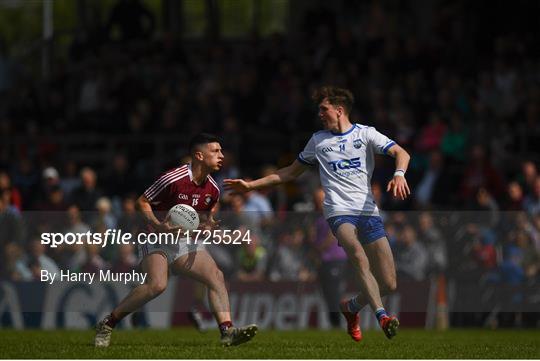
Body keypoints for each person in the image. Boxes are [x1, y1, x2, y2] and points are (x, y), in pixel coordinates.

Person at [224, 86, 411, 342]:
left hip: (368, 212)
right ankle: (382, 317)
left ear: (339, 109)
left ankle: (351, 307)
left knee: (389, 283)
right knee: (356, 253)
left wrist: (399, 174)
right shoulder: (318, 141)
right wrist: (250, 186)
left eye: (324, 109)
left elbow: (402, 153)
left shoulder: (366, 134)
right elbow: (288, 173)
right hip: (338, 212)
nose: (320, 114)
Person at [95, 133, 257, 347]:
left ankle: (227, 331)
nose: (221, 155)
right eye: (215, 151)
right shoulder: (173, 179)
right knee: (157, 285)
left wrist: (207, 225)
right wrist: (159, 224)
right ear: (199, 155)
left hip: (184, 241)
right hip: (156, 236)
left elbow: (203, 219)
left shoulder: (213, 189)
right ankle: (108, 323)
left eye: (221, 151)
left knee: (216, 276)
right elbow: (141, 203)